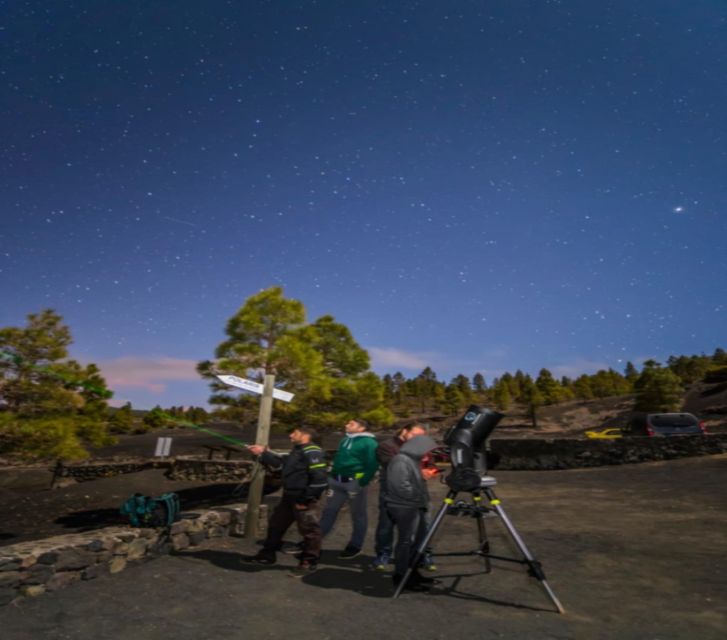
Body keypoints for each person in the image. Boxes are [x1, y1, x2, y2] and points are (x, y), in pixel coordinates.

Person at [243, 426, 328, 577]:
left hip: (303, 498)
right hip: (289, 497)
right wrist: (263, 453)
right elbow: (281, 465)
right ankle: (267, 555)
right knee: (276, 525)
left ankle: (308, 562)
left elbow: (320, 479)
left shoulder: (312, 451)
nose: (290, 435)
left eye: (294, 432)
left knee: (310, 531)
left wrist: (305, 498)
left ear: (305, 435)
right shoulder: (297, 450)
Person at [372, 421, 430, 571]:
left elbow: (429, 463)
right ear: (404, 431)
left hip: (418, 491)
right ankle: (383, 554)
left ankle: (420, 554)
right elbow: (393, 465)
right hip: (392, 491)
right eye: (415, 435)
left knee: (422, 525)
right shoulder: (387, 446)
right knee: (386, 525)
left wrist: (429, 470)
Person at [385, 434, 439, 591]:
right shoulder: (401, 461)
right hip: (405, 507)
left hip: (412, 505)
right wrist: (418, 498)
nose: (428, 456)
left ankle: (411, 574)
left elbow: (408, 483)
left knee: (416, 541)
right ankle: (402, 576)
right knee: (406, 541)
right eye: (427, 452)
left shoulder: (410, 461)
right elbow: (401, 487)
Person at [319, 417, 379, 559]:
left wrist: (362, 481)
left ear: (361, 428)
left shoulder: (369, 443)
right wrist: (332, 476)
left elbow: (373, 464)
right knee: (329, 512)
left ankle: (355, 545)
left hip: (354, 483)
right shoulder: (345, 440)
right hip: (336, 481)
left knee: (358, 515)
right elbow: (339, 459)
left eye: (351, 424)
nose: (346, 425)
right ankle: (314, 542)